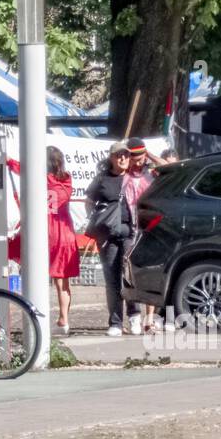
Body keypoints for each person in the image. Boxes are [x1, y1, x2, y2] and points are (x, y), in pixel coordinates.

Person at [10, 146, 82, 334]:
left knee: (34, 274)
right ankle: (64, 321)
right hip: (63, 234)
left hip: (40, 231)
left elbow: (19, 168)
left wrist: (8, 161)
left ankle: (35, 317)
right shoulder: (66, 181)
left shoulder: (36, 178)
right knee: (62, 281)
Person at [85, 142, 136, 337]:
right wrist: (95, 219)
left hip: (130, 232)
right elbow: (89, 201)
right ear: (111, 158)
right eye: (118, 155)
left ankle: (134, 316)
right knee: (112, 278)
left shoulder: (134, 178)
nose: (122, 158)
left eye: (125, 155)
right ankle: (115, 322)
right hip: (108, 235)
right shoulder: (102, 179)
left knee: (130, 275)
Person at [123, 137, 173, 333]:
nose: (138, 160)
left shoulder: (151, 172)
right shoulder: (123, 174)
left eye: (140, 156)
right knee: (129, 275)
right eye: (134, 157)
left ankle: (150, 318)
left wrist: (150, 154)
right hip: (129, 228)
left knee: (150, 271)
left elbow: (171, 167)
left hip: (149, 229)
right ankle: (134, 316)